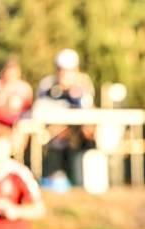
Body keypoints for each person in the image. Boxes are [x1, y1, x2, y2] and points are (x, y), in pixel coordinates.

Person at [36, 48, 95, 189]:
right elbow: (40, 109)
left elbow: (89, 108)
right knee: (50, 137)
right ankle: (52, 175)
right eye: (61, 69)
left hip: (76, 132)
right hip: (53, 133)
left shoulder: (83, 83)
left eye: (68, 70)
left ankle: (82, 178)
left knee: (89, 133)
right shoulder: (48, 85)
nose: (64, 74)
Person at [0, 58, 33, 154]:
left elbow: (27, 114)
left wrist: (14, 129)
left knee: (19, 135)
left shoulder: (24, 89)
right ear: (2, 72)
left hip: (15, 129)